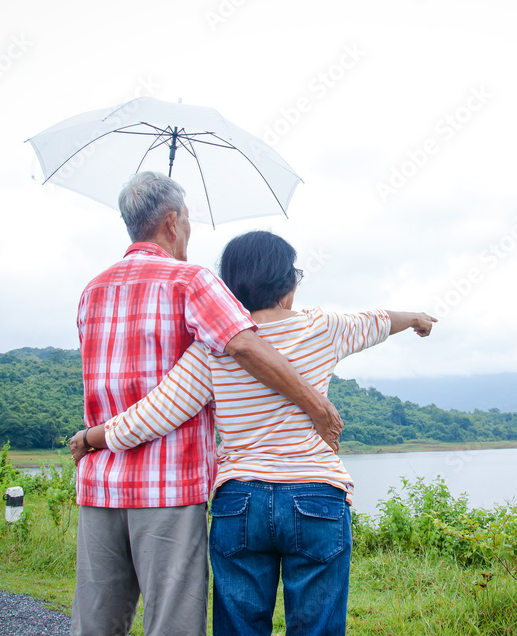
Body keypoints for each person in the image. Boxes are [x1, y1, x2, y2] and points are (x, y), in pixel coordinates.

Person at [73, 230, 436, 635]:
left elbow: (155, 414)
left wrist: (93, 437)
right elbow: (380, 321)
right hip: (315, 492)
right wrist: (417, 319)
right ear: (288, 284)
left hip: (239, 500)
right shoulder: (323, 328)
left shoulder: (213, 348)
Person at [69, 173, 344, 636]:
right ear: (173, 222)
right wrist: (316, 405)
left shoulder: (91, 291)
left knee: (96, 622)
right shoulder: (192, 280)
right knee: (171, 622)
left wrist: (93, 438)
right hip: (167, 487)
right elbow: (246, 346)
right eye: (189, 220)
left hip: (100, 482)